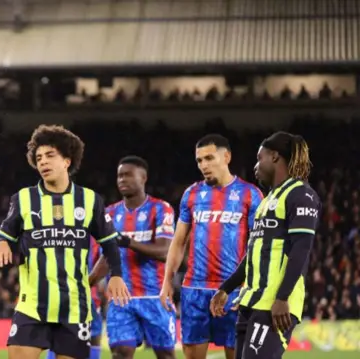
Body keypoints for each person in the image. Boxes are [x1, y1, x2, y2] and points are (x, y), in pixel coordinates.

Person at [0, 124, 131, 359]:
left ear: (67, 160)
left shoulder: (89, 200)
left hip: (74, 309)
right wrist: (1, 243)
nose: (43, 162)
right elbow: (5, 233)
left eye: (49, 155)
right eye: (38, 158)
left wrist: (116, 274)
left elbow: (109, 243)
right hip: (32, 307)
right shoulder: (24, 199)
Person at [210, 132, 320, 359]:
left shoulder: (301, 194)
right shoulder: (266, 201)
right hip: (250, 300)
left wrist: (282, 298)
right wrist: (226, 288)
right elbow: (253, 253)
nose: (255, 166)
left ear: (275, 157)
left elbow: (301, 249)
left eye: (260, 158)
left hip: (274, 304)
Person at [160, 134, 263, 359]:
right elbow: (178, 242)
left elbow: (259, 246)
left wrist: (250, 286)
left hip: (234, 291)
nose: (203, 165)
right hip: (194, 291)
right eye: (199, 161)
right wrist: (167, 280)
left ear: (226, 157)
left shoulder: (250, 195)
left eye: (209, 158)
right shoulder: (192, 194)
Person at [89, 156, 177, 359]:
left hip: (155, 296)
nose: (122, 180)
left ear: (143, 177)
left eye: (128, 175)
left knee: (165, 355)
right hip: (121, 299)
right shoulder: (109, 213)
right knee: (120, 353)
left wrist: (128, 242)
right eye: (119, 176)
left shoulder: (161, 209)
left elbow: (165, 252)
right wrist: (88, 283)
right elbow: (106, 258)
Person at [46, 237, 105, 359]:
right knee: (62, 332)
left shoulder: (95, 234)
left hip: (86, 292)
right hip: (72, 291)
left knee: (91, 333)